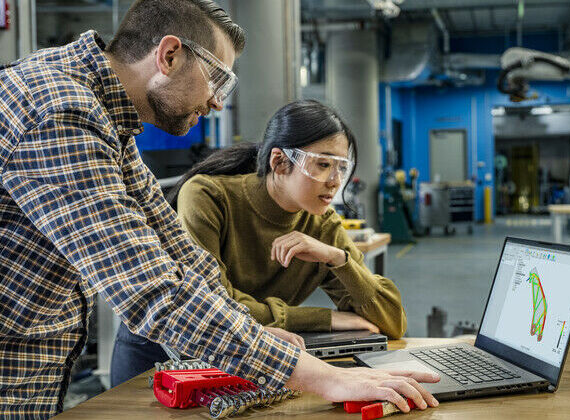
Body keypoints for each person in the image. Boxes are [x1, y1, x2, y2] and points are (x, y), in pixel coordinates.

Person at [0, 1, 438, 418]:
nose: (218, 102)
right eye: (217, 79)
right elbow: (156, 292)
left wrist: (257, 336)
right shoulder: (59, 110)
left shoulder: (104, 114)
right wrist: (326, 379)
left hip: (31, 370)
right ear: (169, 55)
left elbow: (179, 252)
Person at [111, 100, 408, 386]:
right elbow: (211, 307)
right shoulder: (207, 196)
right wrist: (325, 318)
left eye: (341, 166)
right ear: (279, 162)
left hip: (247, 355)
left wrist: (337, 259)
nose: (335, 180)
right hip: (166, 353)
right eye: (322, 164)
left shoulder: (322, 224)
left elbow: (393, 322)